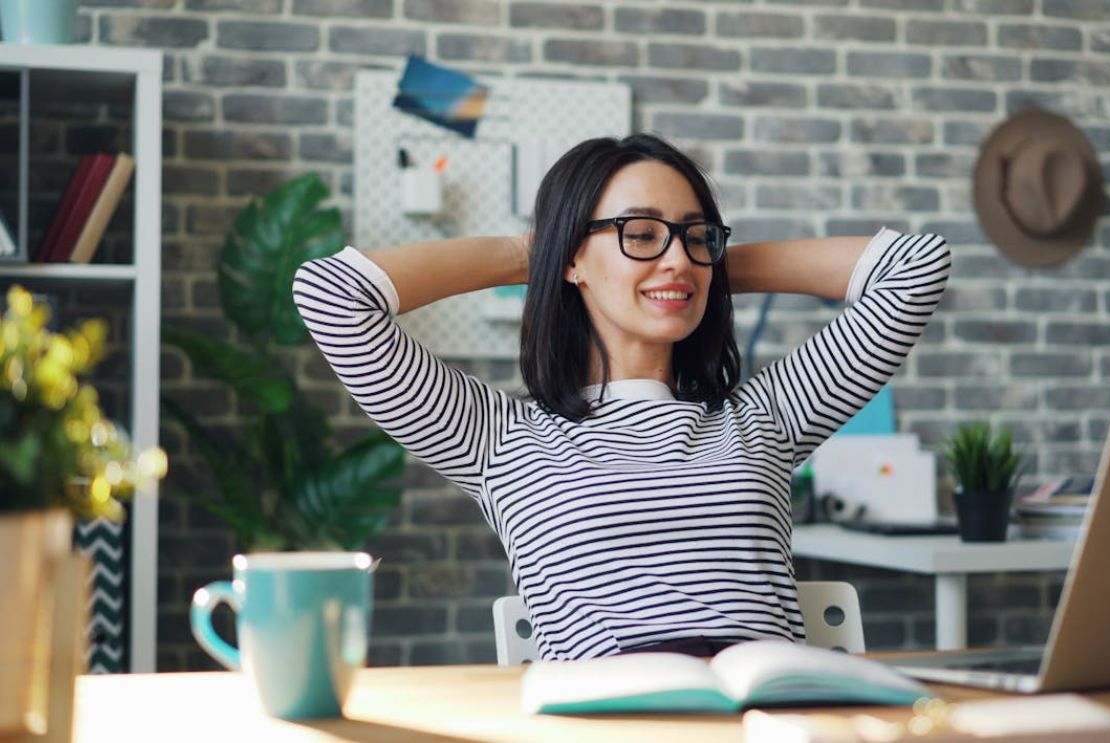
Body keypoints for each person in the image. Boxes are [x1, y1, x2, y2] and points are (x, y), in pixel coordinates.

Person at [293, 133, 950, 661]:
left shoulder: (764, 418)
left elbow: (913, 268)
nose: (675, 259)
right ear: (572, 257)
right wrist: (543, 253)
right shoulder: (496, 438)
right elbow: (330, 295)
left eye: (697, 235)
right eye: (639, 232)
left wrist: (702, 268)